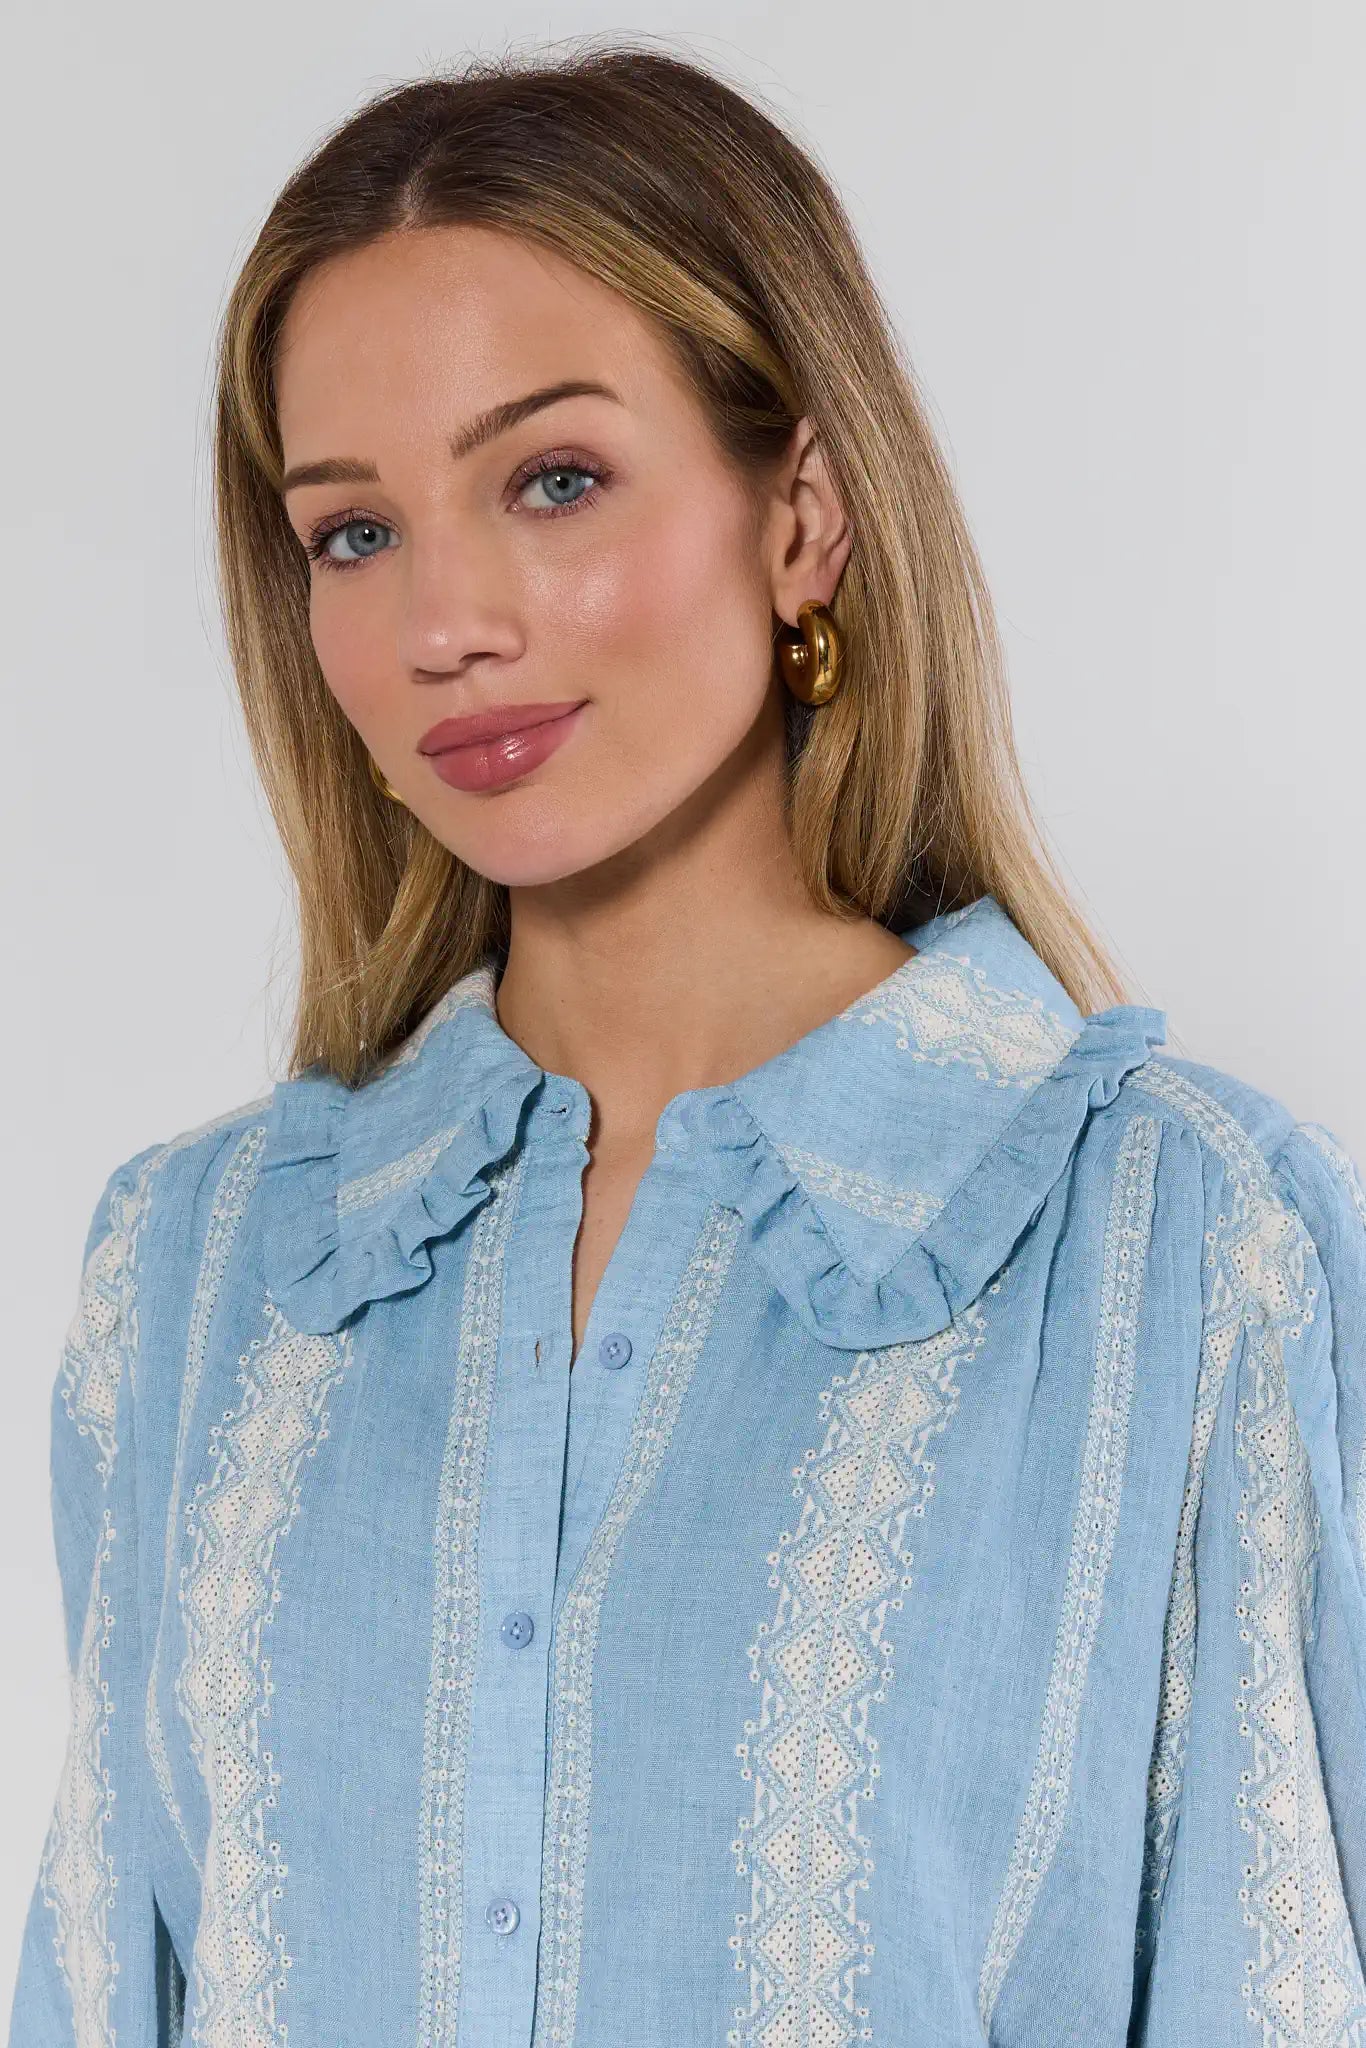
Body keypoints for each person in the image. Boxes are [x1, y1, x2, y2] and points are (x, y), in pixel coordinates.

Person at [10, 39, 1365, 2048]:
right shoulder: (198, 1274)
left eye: (550, 479)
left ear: (798, 515)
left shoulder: (1173, 1239)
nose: (442, 620)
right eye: (351, 533)